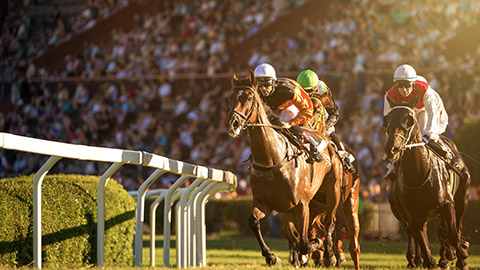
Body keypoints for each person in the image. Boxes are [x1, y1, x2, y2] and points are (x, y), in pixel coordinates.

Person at [383, 64, 461, 181]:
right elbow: (388, 118)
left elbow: (432, 113)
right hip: (410, 113)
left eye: (407, 85)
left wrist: (428, 135)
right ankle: (393, 166)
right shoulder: (390, 95)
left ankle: (448, 155)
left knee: (424, 131)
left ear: (413, 83)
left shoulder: (425, 89)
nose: (404, 89)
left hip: (429, 112)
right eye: (400, 85)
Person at [253, 63, 322, 163]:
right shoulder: (255, 90)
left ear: (273, 82)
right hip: (272, 109)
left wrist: (289, 124)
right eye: (260, 84)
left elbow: (308, 110)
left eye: (267, 84)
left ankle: (312, 144)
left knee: (284, 119)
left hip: (292, 106)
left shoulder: (289, 90)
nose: (263, 88)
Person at [296, 69, 355, 173]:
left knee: (332, 136)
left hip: (322, 117)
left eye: (309, 90)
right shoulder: (295, 90)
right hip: (303, 118)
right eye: (304, 90)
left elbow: (334, 112)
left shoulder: (323, 89)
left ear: (315, 87)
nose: (307, 94)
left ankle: (345, 159)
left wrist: (327, 126)